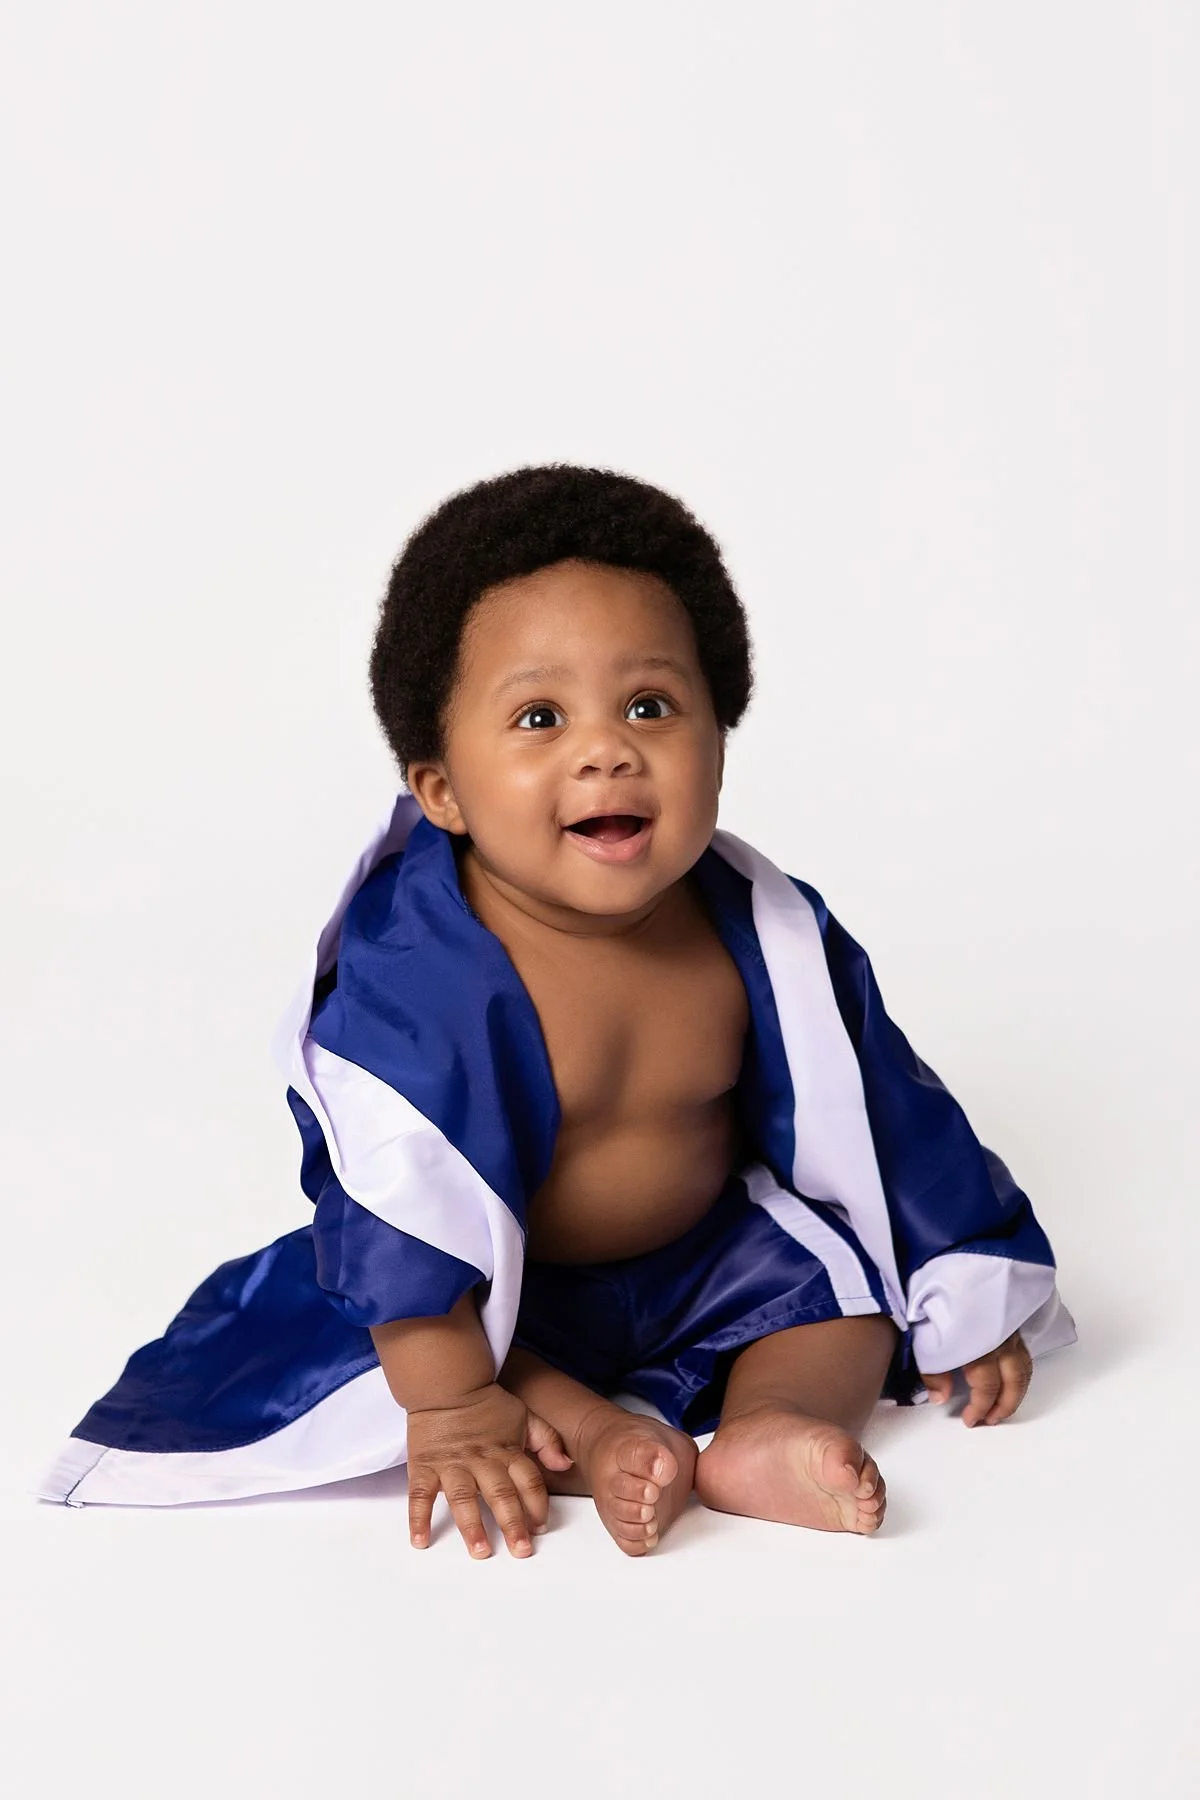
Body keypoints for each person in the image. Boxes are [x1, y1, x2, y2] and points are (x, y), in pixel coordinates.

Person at [41, 465, 1075, 1549]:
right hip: (501, 1297)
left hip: (711, 1264)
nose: (605, 747)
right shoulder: (423, 977)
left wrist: (966, 1281)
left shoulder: (763, 931)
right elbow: (402, 1204)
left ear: (719, 736)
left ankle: (771, 1429)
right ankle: (596, 1437)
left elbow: (881, 1107)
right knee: (439, 1363)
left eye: (650, 705)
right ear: (440, 791)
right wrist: (448, 1405)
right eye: (540, 716)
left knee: (849, 1303)